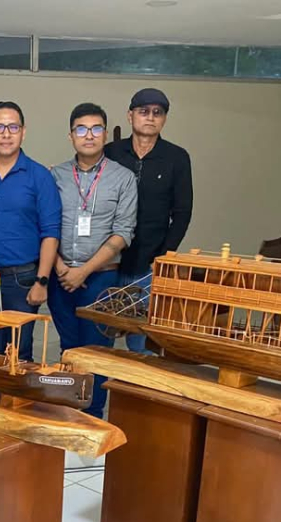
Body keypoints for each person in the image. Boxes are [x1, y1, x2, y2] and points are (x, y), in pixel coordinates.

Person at [50, 102, 137, 418]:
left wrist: (83, 271)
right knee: (69, 348)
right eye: (81, 129)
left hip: (101, 279)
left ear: (105, 133)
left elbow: (123, 233)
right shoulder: (55, 175)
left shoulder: (123, 178)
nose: (89, 135)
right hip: (60, 277)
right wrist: (61, 268)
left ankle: (93, 416)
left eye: (96, 128)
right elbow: (45, 226)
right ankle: (66, 412)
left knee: (97, 352)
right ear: (71, 135)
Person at [0, 101, 61, 361]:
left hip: (23, 280)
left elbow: (50, 234)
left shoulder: (39, 176)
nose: (6, 134)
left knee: (19, 352)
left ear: (23, 132)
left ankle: (16, 403)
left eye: (13, 127)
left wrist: (42, 281)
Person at [105, 88, 193, 353]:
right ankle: (95, 393)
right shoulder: (111, 153)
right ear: (130, 115)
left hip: (149, 263)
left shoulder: (176, 158)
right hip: (108, 260)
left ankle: (138, 394)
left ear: (164, 119)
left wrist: (163, 256)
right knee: (100, 333)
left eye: (158, 112)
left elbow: (182, 212)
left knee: (142, 341)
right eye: (144, 112)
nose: (150, 118)